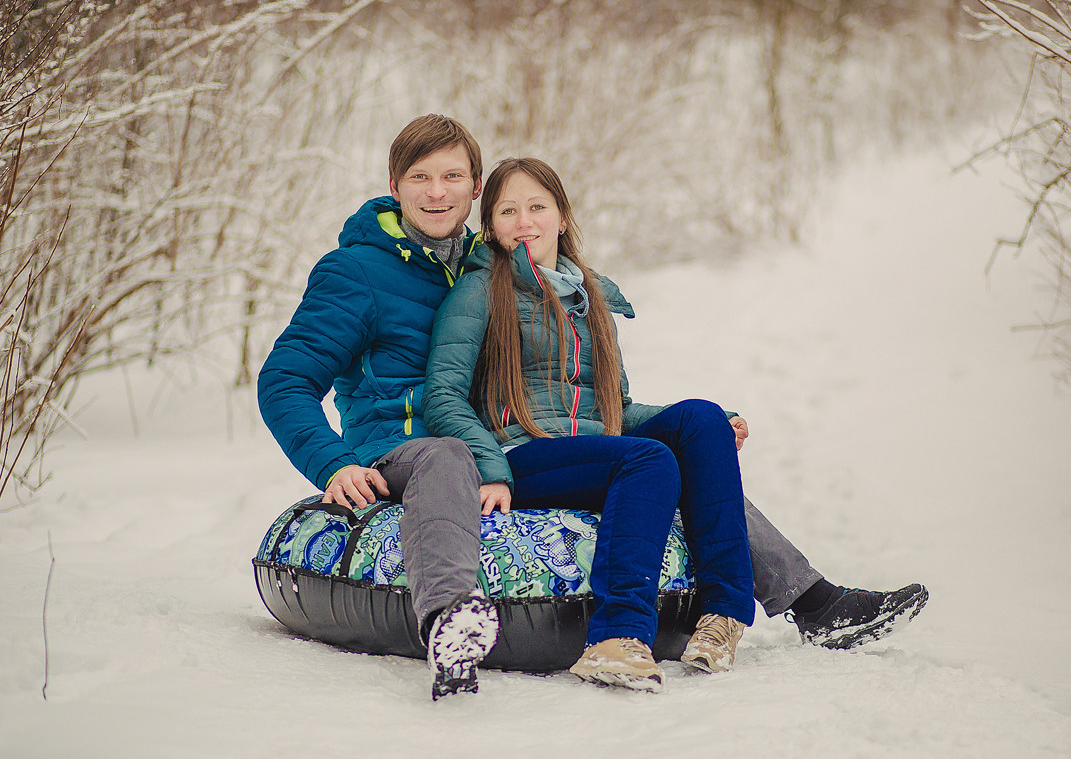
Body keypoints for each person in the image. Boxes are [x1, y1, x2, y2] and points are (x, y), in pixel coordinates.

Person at [257, 113, 927, 701]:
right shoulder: (358, 273)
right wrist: (334, 463)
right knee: (482, 454)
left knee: (692, 434)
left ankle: (805, 602)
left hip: (496, 440)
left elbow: (582, 397)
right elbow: (285, 379)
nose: (437, 192)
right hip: (414, 452)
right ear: (394, 184)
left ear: (474, 189)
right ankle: (466, 620)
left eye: (452, 177)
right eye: (421, 178)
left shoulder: (487, 261)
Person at [424, 158, 760, 691]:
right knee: (649, 459)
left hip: (595, 449)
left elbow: (613, 409)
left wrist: (715, 424)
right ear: (490, 226)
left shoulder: (591, 297)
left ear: (562, 217)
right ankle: (616, 636)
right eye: (507, 211)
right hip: (523, 454)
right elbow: (441, 395)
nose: (524, 222)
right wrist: (490, 466)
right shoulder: (479, 291)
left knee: (701, 417)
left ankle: (722, 616)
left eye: (537, 207)